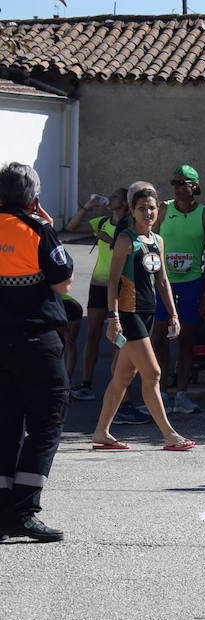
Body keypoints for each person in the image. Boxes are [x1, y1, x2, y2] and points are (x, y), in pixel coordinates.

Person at [0, 162, 74, 541]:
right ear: (33, 197)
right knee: (46, 423)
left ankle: (1, 512)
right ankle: (25, 511)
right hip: (36, 343)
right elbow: (63, 283)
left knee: (6, 425)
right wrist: (46, 226)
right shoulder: (37, 230)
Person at [91, 182, 195, 452]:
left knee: (123, 377)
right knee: (154, 373)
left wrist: (173, 313)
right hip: (128, 314)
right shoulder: (125, 239)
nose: (148, 213)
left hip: (148, 313)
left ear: (158, 210)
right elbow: (113, 281)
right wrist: (113, 318)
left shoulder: (157, 240)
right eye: (141, 209)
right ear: (132, 210)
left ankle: (101, 432)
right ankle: (169, 434)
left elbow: (162, 280)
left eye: (151, 208)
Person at [152, 164, 205, 414]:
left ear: (194, 186)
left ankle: (181, 393)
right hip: (164, 281)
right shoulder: (163, 209)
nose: (177, 187)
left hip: (192, 282)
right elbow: (149, 241)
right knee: (158, 336)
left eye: (182, 183)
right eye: (174, 183)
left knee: (187, 339)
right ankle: (159, 392)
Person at [65, 187, 128, 403]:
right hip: (98, 283)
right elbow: (71, 227)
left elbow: (132, 250)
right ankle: (86, 384)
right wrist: (87, 207)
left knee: (115, 336)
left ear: (125, 202)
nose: (110, 198)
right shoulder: (101, 222)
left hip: (119, 284)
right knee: (91, 333)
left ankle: (116, 387)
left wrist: (109, 241)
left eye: (115, 196)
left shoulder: (129, 225)